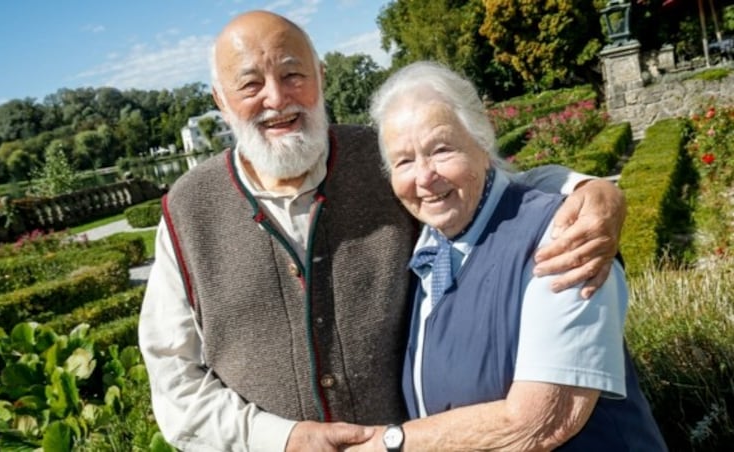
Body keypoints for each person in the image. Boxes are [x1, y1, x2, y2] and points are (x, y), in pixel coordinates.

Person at [138, 10, 627, 452]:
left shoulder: (388, 159)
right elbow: (175, 380)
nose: (276, 98)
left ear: (321, 77)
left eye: (293, 75)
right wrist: (280, 438)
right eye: (249, 85)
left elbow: (485, 179)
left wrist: (588, 191)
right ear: (220, 101)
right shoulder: (186, 212)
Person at [343, 61, 666, 451]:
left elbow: (541, 423)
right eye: (404, 161)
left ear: (482, 142)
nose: (424, 177)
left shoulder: (562, 235)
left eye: (441, 149)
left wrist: (389, 443)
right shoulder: (426, 246)